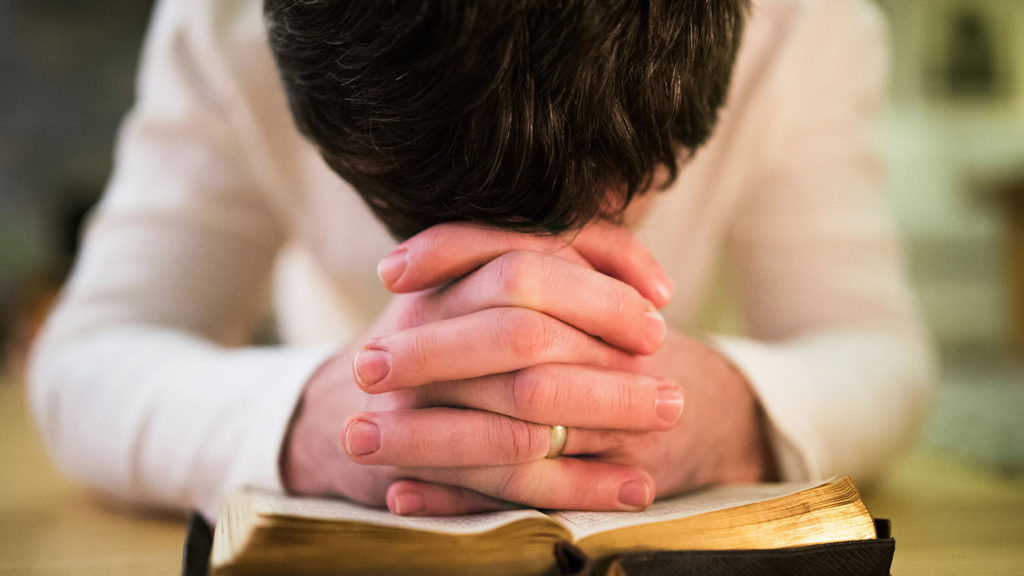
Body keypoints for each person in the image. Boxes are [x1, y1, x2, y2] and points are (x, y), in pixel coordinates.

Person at [28, 0, 934, 522]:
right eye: (433, 240)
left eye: (586, 223)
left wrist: (720, 416)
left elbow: (876, 350)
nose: (514, 299)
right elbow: (86, 359)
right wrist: (314, 427)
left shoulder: (807, 21)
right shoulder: (222, 21)